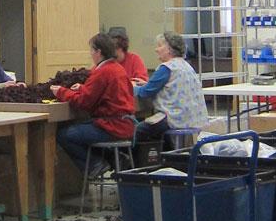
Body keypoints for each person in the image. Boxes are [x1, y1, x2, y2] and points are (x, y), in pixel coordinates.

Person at [51, 33, 136, 172]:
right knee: (83, 128)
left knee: (64, 135)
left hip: (111, 126)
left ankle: (95, 164)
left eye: (91, 50)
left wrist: (61, 92)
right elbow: (105, 92)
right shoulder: (118, 68)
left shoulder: (102, 72)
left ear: (99, 52)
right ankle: (114, 158)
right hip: (125, 124)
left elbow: (83, 102)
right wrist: (83, 88)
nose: (90, 54)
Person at [134, 31, 210, 142]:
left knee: (135, 131)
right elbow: (170, 86)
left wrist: (131, 87)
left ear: (169, 49)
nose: (156, 49)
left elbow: (145, 92)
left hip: (174, 118)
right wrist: (147, 84)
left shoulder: (166, 68)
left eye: (159, 46)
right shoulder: (186, 66)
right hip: (193, 119)